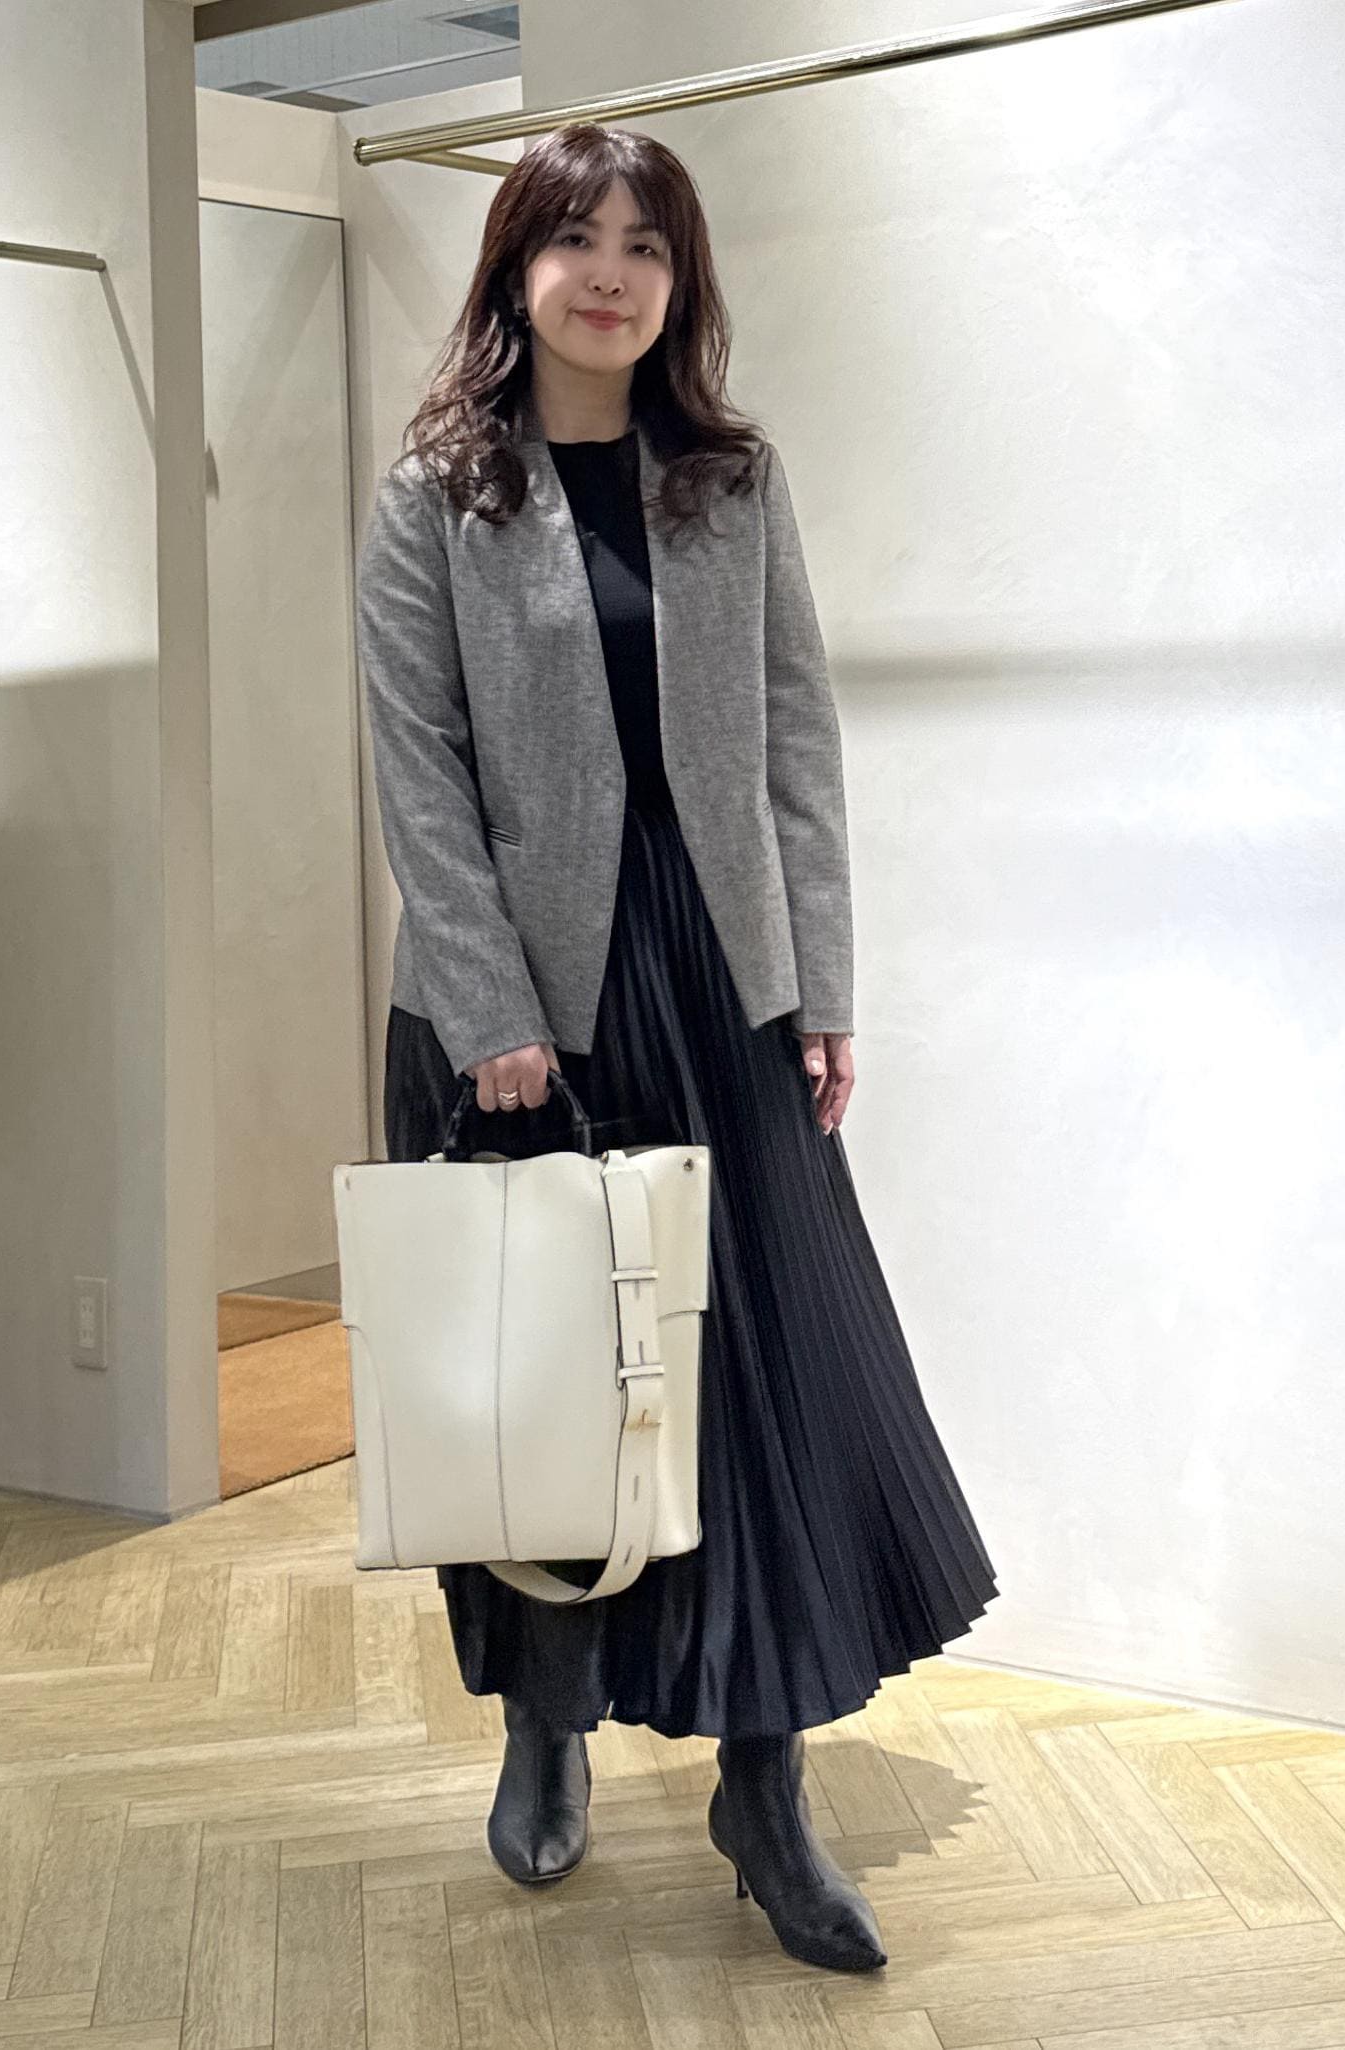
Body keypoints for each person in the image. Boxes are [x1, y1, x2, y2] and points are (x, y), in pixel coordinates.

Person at [356, 119, 1000, 1976]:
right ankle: (545, 1718)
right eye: (580, 238)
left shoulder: (733, 478)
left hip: (723, 989)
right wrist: (488, 1011)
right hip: (520, 1014)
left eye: (648, 243)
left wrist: (823, 985)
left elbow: (798, 739)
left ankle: (763, 1787)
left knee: (761, 1396)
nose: (613, 274)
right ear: (518, 266)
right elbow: (419, 773)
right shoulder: (437, 495)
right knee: (537, 1387)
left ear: (680, 281)